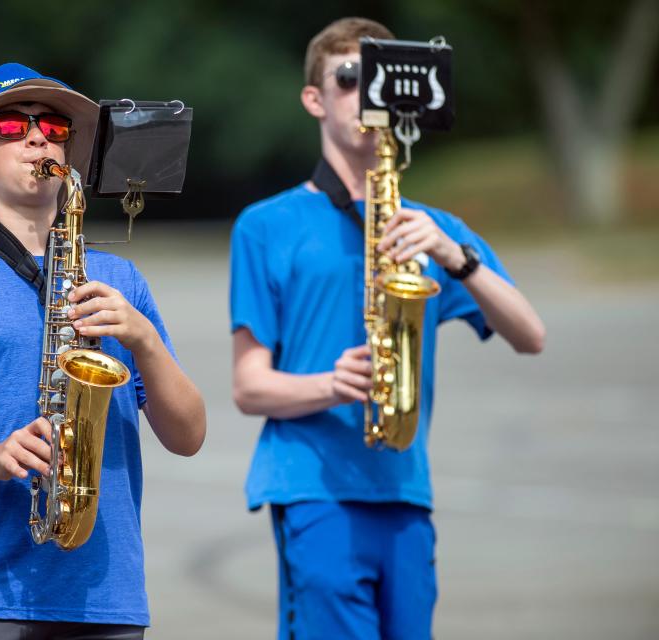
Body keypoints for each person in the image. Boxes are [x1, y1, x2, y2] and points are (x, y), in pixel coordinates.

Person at [229, 18, 545, 640]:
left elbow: (531, 334)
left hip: (405, 491)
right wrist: (330, 384)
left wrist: (457, 256)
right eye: (350, 79)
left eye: (378, 80)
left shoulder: (430, 225)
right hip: (313, 489)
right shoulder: (265, 224)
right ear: (314, 99)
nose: (367, 96)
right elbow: (248, 386)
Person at [0, 62, 206, 640]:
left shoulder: (120, 280)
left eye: (53, 127)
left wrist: (144, 341)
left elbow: (188, 436)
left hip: (107, 600)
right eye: (9, 126)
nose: (36, 137)